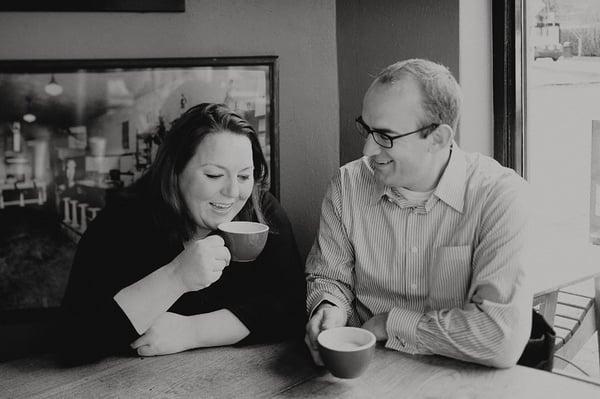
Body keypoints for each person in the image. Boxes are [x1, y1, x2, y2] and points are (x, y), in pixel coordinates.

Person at [305, 59, 531, 368]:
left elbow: (499, 337)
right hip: (368, 373)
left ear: (438, 138)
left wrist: (389, 324)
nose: (367, 151)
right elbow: (330, 277)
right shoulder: (347, 185)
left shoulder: (500, 197)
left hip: (461, 379)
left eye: (385, 135)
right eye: (367, 129)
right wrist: (329, 307)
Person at [60, 103, 306, 365]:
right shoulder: (123, 220)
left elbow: (291, 307)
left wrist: (193, 332)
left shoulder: (261, 211)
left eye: (244, 176)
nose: (234, 192)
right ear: (175, 170)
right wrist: (176, 276)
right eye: (213, 175)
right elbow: (74, 339)